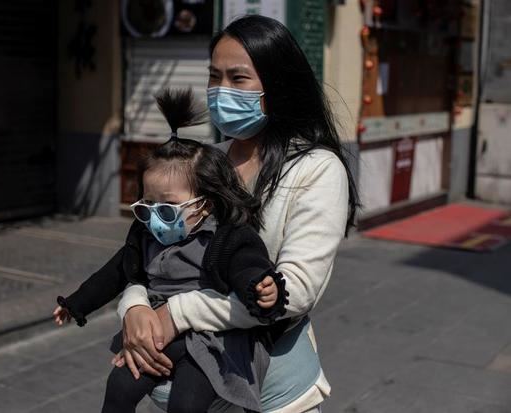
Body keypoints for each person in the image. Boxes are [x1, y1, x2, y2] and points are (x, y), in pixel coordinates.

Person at [113, 15, 358, 413]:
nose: (221, 91)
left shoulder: (316, 169)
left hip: (274, 393)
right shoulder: (205, 161)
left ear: (276, 85)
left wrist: (173, 312)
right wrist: (136, 306)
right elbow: (148, 251)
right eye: (214, 76)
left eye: (238, 78)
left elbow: (292, 292)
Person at [54, 88, 290, 413]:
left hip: (214, 340)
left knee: (187, 403)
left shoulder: (226, 237)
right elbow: (115, 272)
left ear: (204, 205)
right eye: (146, 206)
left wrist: (261, 286)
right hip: (156, 331)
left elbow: (247, 265)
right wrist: (76, 304)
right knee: (119, 387)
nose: (154, 218)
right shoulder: (144, 234)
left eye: (168, 208)